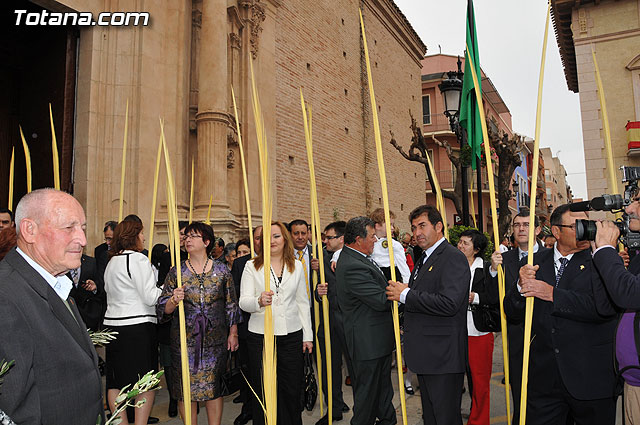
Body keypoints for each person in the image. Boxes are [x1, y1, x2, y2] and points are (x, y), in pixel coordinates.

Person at [504, 204, 617, 425]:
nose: (586, 230)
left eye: (588, 224)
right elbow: (512, 311)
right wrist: (519, 286)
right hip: (544, 379)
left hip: (590, 377)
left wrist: (553, 294)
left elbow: (603, 309)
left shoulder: (601, 260)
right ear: (556, 232)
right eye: (577, 226)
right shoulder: (533, 263)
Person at [0, 189, 103, 423]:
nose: (83, 240)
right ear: (29, 230)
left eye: (83, 228)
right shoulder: (6, 296)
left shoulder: (55, 282)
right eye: (69, 228)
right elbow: (13, 408)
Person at [386, 205, 470, 425]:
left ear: (439, 226)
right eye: (413, 228)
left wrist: (406, 294)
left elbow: (449, 303)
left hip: (442, 357)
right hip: (427, 356)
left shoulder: (452, 257)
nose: (417, 233)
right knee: (431, 417)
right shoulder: (425, 257)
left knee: (445, 418)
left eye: (422, 226)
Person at [157, 221, 240, 425]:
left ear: (206, 241)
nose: (187, 239)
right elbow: (162, 309)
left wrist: (233, 333)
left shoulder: (222, 271)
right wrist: (173, 300)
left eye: (193, 236)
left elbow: (231, 304)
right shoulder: (176, 272)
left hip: (215, 341)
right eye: (185, 236)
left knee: (213, 387)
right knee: (186, 389)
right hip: (184, 341)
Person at [239, 221, 312, 425]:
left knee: (291, 388)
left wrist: (307, 336)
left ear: (285, 239)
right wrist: (258, 301)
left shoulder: (296, 265)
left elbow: (302, 302)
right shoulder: (252, 266)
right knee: (264, 389)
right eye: (267, 237)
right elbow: (243, 301)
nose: (272, 241)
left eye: (277, 236)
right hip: (261, 335)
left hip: (291, 335)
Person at [336, 216, 396, 425]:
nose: (375, 241)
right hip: (367, 343)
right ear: (359, 239)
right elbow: (381, 300)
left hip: (376, 342)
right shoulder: (353, 266)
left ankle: (388, 421)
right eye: (372, 236)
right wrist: (402, 293)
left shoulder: (359, 258)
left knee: (382, 393)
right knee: (367, 400)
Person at [104, 219, 162, 425]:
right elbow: (150, 297)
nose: (144, 237)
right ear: (134, 235)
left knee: (115, 381)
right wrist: (167, 291)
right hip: (137, 327)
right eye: (142, 233)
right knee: (145, 382)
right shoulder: (138, 259)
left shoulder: (112, 261)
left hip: (113, 327)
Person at [489, 209, 545, 424]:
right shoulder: (504, 260)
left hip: (545, 338)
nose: (521, 229)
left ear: (537, 230)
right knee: (520, 397)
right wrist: (494, 271)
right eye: (517, 225)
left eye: (526, 224)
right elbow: (494, 299)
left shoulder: (550, 256)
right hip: (516, 339)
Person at [589, 194, 640, 423]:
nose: (628, 209)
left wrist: (605, 252)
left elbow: (628, 293)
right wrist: (598, 255)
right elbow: (607, 305)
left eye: (638, 201)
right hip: (630, 382)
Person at [312, 220, 352, 425]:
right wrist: (319, 294)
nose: (325, 240)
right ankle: (334, 407)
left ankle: (369, 410)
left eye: (329, 237)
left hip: (352, 324)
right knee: (329, 368)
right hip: (329, 323)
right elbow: (321, 292)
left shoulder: (357, 258)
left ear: (342, 239)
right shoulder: (322, 259)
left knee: (356, 370)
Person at [457, 229, 498, 425]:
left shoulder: (488, 269)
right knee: (454, 379)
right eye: (460, 242)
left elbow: (496, 297)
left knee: (480, 383)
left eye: (465, 243)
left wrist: (476, 298)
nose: (460, 246)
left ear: (477, 249)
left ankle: (479, 421)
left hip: (479, 332)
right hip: (455, 331)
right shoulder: (453, 266)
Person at [231, 227, 262, 425]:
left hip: (276, 328)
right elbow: (233, 296)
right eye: (258, 238)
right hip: (247, 326)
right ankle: (249, 408)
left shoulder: (283, 263)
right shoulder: (242, 263)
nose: (261, 241)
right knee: (249, 371)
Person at [67, 252, 106, 331]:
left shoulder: (91, 262)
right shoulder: (59, 262)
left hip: (89, 314)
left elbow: (100, 286)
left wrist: (95, 287)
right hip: (68, 313)